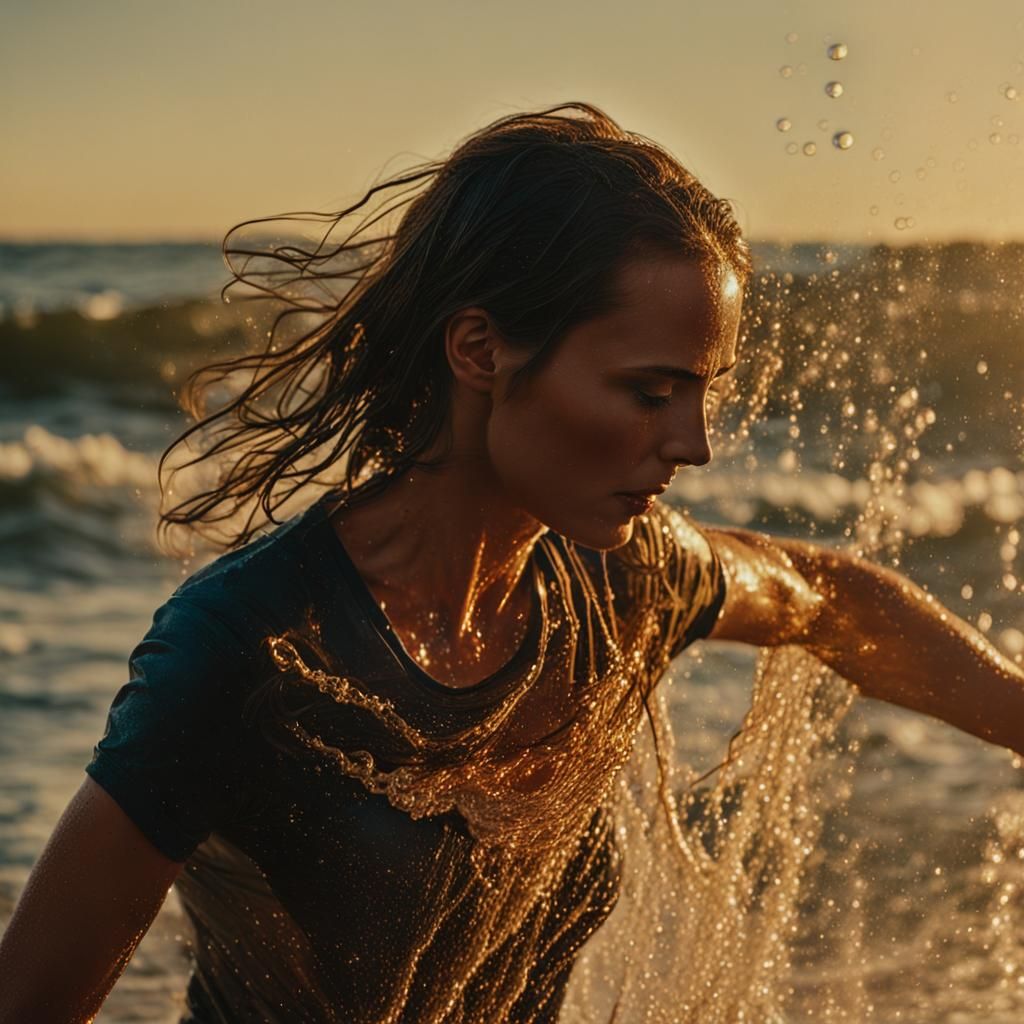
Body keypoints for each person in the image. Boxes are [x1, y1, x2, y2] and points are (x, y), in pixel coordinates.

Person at [1, 102, 1022, 1024]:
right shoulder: (247, 646)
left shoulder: (627, 579)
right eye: (647, 390)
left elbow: (828, 601)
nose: (693, 442)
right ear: (480, 350)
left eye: (700, 392)